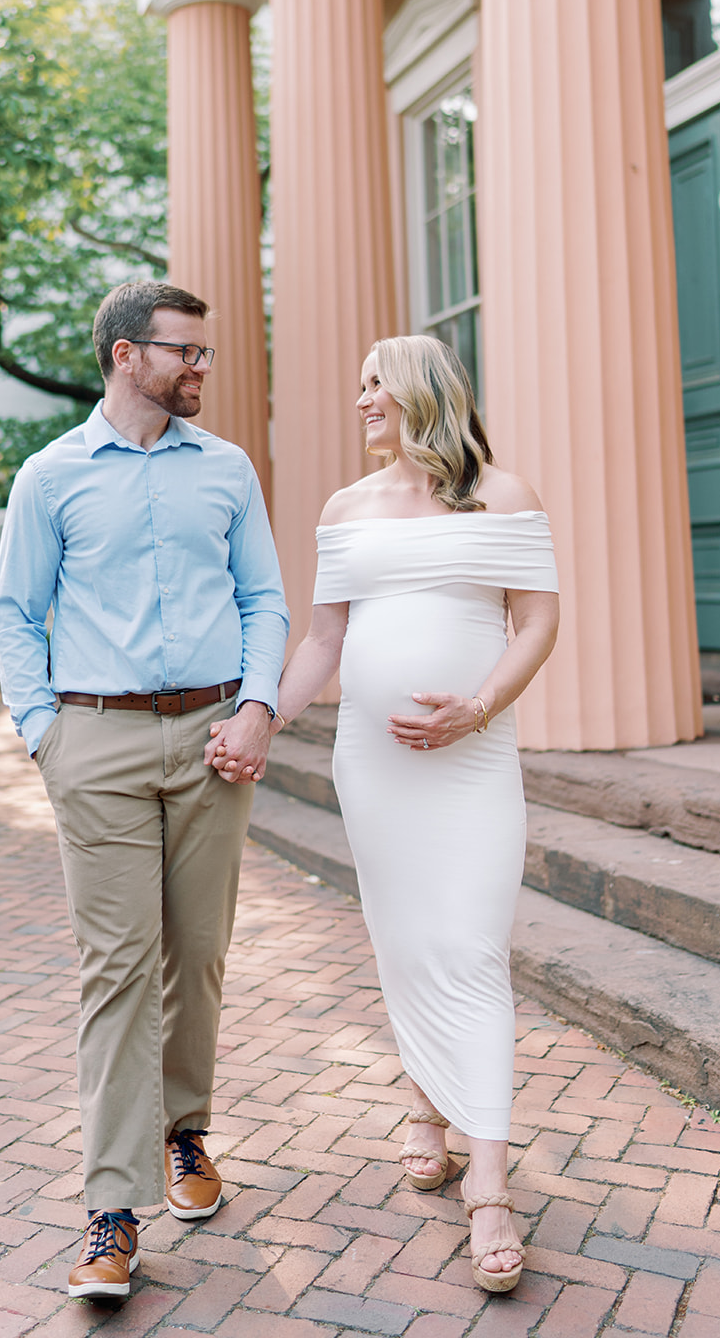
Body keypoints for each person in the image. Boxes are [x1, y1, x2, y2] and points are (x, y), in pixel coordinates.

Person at [235, 334, 558, 1294]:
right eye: (361, 384)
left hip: (473, 761)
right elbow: (325, 636)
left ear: (423, 391)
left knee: (471, 949)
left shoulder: (505, 494)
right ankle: (427, 1110)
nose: (362, 398)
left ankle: (490, 1186)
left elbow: (536, 621)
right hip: (372, 767)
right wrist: (265, 718)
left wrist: (478, 706)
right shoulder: (346, 508)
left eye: (376, 383)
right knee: (405, 942)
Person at [0, 281, 288, 1303]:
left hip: (212, 739)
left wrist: (258, 707)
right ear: (126, 355)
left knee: (195, 956)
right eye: (185, 353)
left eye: (202, 355)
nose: (201, 368)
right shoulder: (51, 475)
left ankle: (185, 1131)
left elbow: (263, 598)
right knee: (117, 969)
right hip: (98, 745)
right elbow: (14, 613)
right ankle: (111, 1211)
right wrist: (44, 736)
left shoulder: (228, 470)